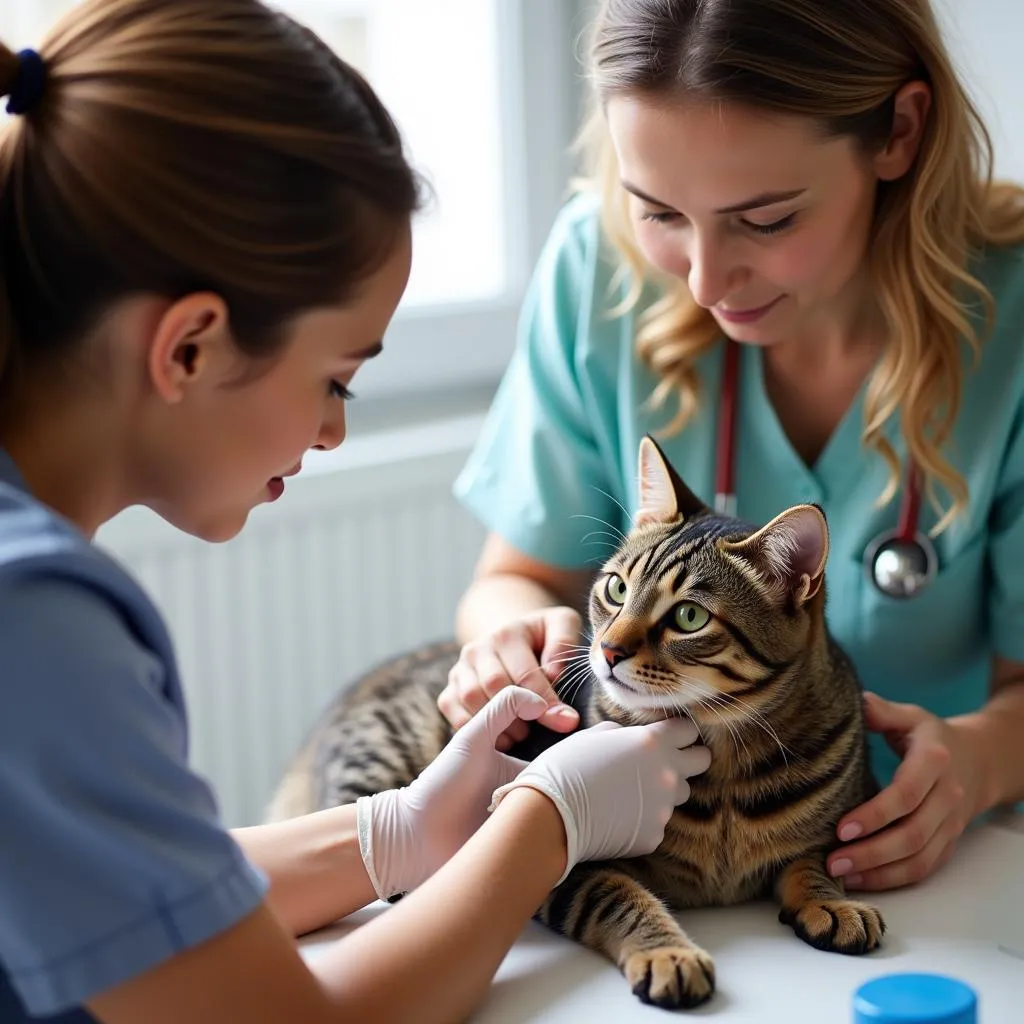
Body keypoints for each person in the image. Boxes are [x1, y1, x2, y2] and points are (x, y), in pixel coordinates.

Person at [0, 2, 714, 1022]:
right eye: (337, 377)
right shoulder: (36, 624)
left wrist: (394, 833)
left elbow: (135, 892)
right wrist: (545, 822)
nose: (332, 432)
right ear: (190, 346)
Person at [444, 0, 1024, 898]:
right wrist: (507, 645)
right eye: (659, 212)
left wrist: (979, 762)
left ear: (899, 133)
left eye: (766, 219)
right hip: (651, 856)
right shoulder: (593, 270)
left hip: (928, 871)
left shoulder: (1017, 317)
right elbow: (513, 580)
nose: (706, 280)